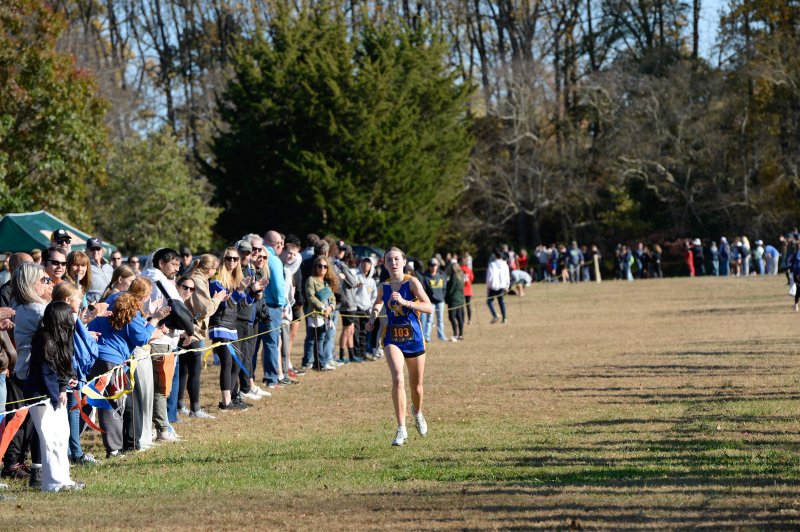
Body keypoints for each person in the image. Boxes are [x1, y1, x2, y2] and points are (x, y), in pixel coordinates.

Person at [88, 278, 169, 457]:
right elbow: (140, 338)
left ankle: (125, 444)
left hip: (97, 356)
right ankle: (114, 449)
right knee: (113, 405)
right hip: (111, 360)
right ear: (146, 296)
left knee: (117, 403)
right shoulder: (131, 309)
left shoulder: (115, 297)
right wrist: (155, 320)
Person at [365, 247, 433, 446]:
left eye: (396, 259)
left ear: (403, 262)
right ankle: (401, 428)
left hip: (414, 338)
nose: (393, 263)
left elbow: (429, 307)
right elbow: (378, 303)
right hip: (392, 337)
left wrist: (406, 302)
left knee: (417, 387)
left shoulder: (411, 282)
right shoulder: (383, 286)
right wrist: (373, 317)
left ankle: (418, 412)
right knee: (397, 378)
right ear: (384, 264)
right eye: (389, 260)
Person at [23, 301, 85, 491]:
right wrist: (57, 393)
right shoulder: (42, 337)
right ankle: (52, 483)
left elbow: (66, 364)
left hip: (57, 395)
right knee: (49, 439)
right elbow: (46, 370)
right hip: (41, 396)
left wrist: (69, 381)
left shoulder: (64, 337)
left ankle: (64, 479)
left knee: (61, 436)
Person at [2, 263, 53, 486]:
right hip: (35, 371)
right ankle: (36, 471)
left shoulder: (17, 306)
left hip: (22, 369)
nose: (48, 283)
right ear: (31, 283)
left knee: (26, 422)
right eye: (44, 280)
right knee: (36, 424)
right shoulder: (37, 310)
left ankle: (22, 464)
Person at [50, 282, 99, 466]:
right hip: (70, 372)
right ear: (67, 300)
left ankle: (73, 451)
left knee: (74, 411)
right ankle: (75, 453)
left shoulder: (65, 316)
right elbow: (68, 348)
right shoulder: (66, 317)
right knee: (72, 412)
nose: (81, 301)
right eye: (79, 298)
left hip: (70, 371)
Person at [208, 247, 260, 410]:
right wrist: (240, 291)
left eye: (235, 259)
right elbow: (223, 304)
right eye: (229, 258)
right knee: (228, 362)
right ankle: (226, 402)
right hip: (219, 324)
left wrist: (253, 292)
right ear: (223, 260)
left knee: (237, 363)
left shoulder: (237, 279)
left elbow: (241, 305)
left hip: (232, 326)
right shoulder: (216, 280)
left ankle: (228, 400)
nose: (232, 261)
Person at [303, 257, 338, 371]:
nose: (322, 268)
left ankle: (320, 363)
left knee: (321, 338)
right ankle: (308, 362)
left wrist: (330, 307)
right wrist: (323, 307)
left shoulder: (326, 283)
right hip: (314, 315)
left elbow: (332, 298)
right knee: (311, 338)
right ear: (315, 267)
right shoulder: (311, 280)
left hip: (325, 316)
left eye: (325, 266)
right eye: (320, 266)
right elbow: (310, 297)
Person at [421, 259, 447, 342]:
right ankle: (427, 337)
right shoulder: (426, 277)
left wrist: (442, 296)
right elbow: (425, 290)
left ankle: (441, 336)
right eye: (432, 266)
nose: (433, 267)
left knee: (440, 319)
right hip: (431, 302)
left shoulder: (442, 275)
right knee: (429, 320)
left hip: (440, 301)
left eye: (435, 265)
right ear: (429, 267)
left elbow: (444, 288)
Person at [86, 237, 113, 303]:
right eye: (92, 249)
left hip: (111, 305)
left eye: (98, 248)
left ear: (102, 250)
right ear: (87, 251)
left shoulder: (109, 267)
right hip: (94, 308)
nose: (95, 251)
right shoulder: (85, 267)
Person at [486, 250, 510, 324]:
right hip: (502, 286)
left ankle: (495, 314)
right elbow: (507, 276)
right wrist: (507, 286)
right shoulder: (505, 264)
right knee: (501, 301)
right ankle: (504, 318)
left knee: (489, 301)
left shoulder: (492, 264)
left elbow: (490, 276)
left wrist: (488, 286)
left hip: (494, 286)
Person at [444, 261, 465, 341]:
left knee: (452, 317)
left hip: (453, 299)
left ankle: (455, 334)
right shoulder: (461, 275)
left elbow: (451, 290)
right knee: (459, 317)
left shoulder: (453, 276)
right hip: (461, 299)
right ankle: (461, 334)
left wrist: (446, 296)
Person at [460, 256, 475, 324]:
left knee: (462, 306)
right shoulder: (469, 269)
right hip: (468, 290)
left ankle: (462, 320)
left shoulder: (459, 269)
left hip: (461, 290)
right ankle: (469, 320)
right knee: (468, 305)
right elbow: (472, 278)